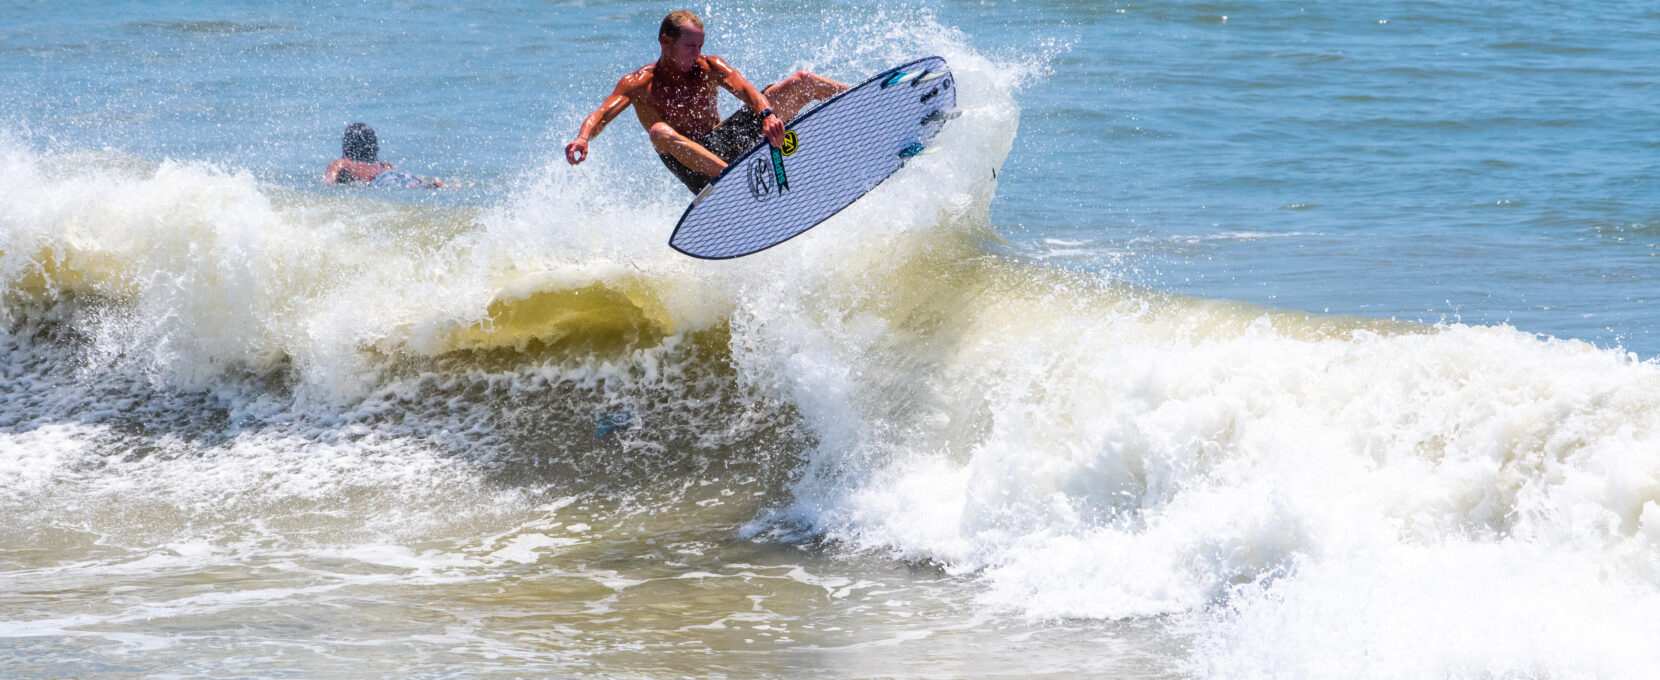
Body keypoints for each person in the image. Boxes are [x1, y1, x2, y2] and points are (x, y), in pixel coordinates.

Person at [564, 10, 846, 193]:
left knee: (801, 82)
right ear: (665, 41)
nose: (697, 53)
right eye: (690, 46)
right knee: (659, 132)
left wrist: (768, 115)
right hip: (694, 166)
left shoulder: (709, 67)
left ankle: (877, 93)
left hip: (725, 142)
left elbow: (747, 91)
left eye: (700, 45)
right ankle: (731, 178)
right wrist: (583, 138)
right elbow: (600, 115)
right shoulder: (639, 84)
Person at [324, 123, 444, 189]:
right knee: (409, 182)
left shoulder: (343, 163)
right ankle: (433, 186)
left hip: (380, 178)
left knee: (400, 186)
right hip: (402, 175)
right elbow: (395, 173)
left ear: (347, 145)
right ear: (374, 146)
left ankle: (427, 186)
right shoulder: (384, 164)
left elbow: (329, 182)